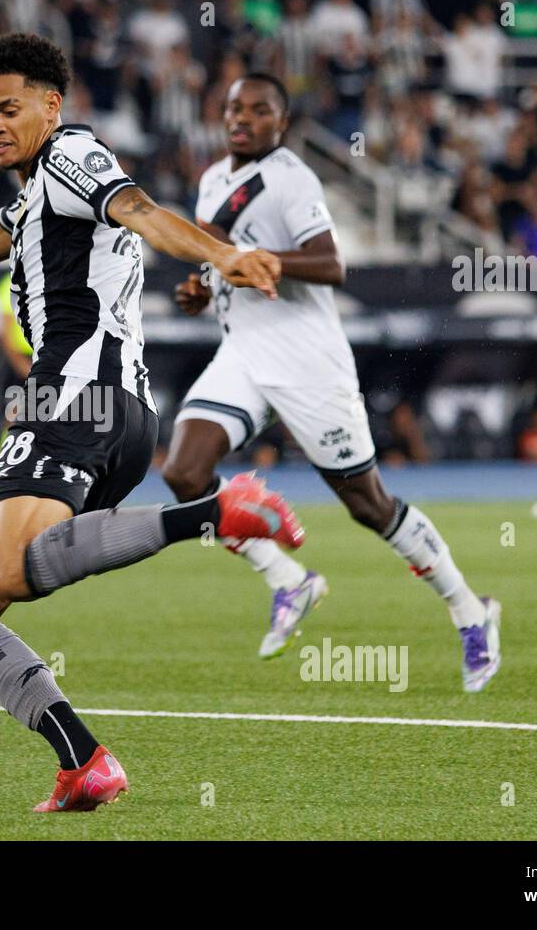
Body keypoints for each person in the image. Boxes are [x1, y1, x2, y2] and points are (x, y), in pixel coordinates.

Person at [0, 32, 296, 812]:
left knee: (9, 571)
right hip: (109, 412)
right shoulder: (37, 192)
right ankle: (83, 761)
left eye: (9, 109)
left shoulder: (73, 156)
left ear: (50, 104)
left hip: (74, 396)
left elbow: (137, 209)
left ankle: (214, 512)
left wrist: (222, 256)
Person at [165, 73, 502, 692]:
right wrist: (200, 287)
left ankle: (470, 609)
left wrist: (271, 262)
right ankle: (287, 578)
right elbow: (218, 262)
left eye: (259, 109)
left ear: (282, 122)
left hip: (306, 361)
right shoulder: (213, 180)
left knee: (368, 506)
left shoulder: (292, 178)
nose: (242, 118)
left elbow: (332, 264)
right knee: (184, 472)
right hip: (243, 354)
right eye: (234, 107)